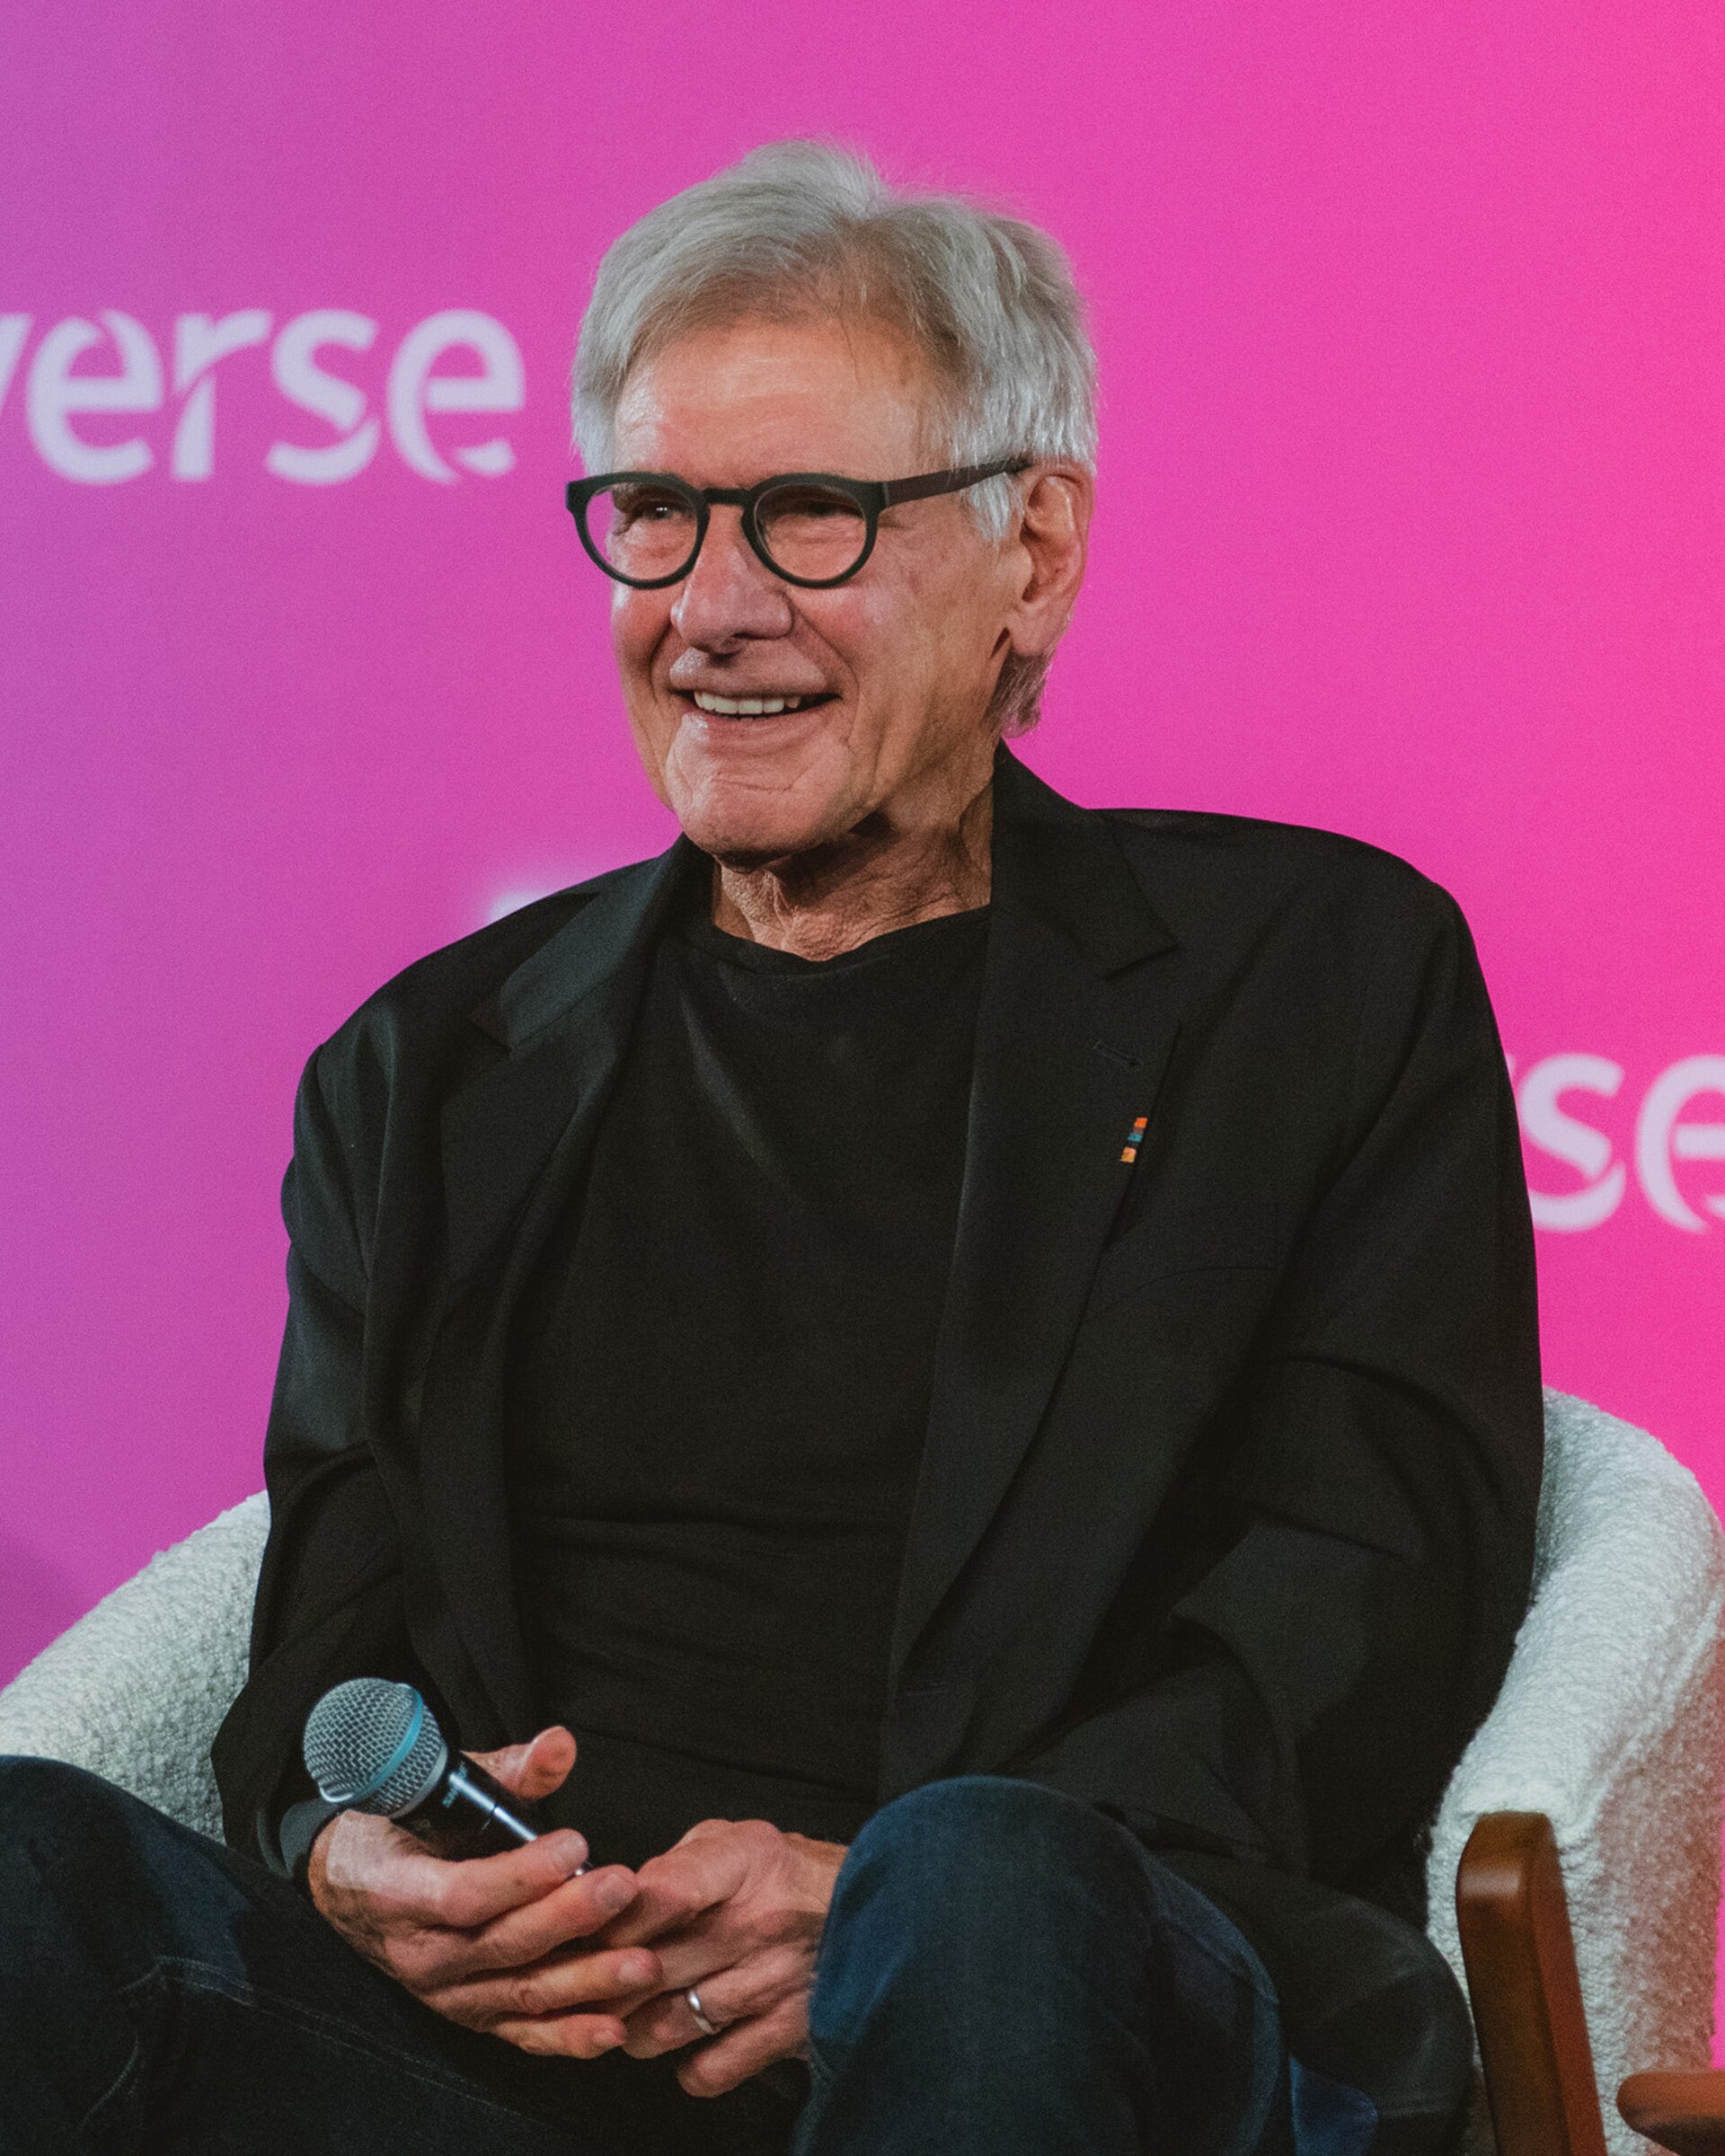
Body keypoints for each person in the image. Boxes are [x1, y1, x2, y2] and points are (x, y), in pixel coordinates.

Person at [0, 142, 1542, 2156]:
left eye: (812, 516)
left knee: (973, 1879)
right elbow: (331, 1624)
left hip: (1063, 1969)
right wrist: (337, 1850)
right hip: (539, 2067)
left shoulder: (1314, 986)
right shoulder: (423, 1071)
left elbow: (1371, 1588)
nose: (713, 610)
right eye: (654, 516)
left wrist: (878, 1879)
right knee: (30, 1867)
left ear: (1035, 551)